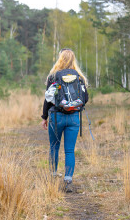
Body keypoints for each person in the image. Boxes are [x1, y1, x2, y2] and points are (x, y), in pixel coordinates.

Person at [41, 48, 88, 192]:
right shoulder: (80, 77)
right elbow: (85, 99)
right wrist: (73, 106)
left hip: (56, 117)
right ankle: (68, 181)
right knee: (69, 151)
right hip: (74, 118)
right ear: (73, 60)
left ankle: (53, 177)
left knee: (54, 147)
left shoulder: (53, 76)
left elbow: (48, 100)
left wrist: (44, 117)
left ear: (60, 59)